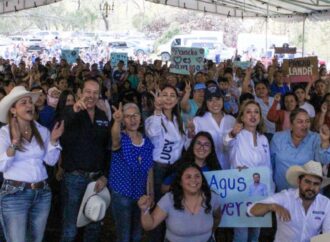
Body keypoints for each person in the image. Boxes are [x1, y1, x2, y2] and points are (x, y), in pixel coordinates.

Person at [0, 86, 64, 242]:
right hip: (14, 194)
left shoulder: (42, 131)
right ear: (13, 110)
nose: (30, 106)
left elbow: (51, 161)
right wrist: (14, 142)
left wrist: (54, 140)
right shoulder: (4, 133)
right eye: (24, 103)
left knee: (36, 239)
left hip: (42, 193)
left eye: (30, 102)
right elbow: (2, 167)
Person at [60, 79, 110, 242]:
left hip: (97, 180)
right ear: (80, 93)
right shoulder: (69, 111)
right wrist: (74, 110)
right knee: (70, 229)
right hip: (74, 178)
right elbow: (59, 129)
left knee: (93, 226)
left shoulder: (102, 115)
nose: (91, 96)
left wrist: (105, 175)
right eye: (88, 91)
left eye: (96, 93)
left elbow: (107, 148)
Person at [224, 100, 273, 242]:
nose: (253, 115)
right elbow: (226, 143)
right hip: (240, 190)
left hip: (259, 190)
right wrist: (233, 133)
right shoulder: (237, 135)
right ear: (242, 117)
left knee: (255, 233)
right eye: (248, 112)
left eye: (256, 112)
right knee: (241, 234)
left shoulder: (263, 138)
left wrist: (270, 193)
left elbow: (268, 167)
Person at [248, 160, 330, 242]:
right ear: (299, 181)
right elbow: (251, 210)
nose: (311, 188)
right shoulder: (285, 197)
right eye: (307, 182)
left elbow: (328, 235)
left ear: (320, 186)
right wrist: (272, 206)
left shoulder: (325, 204)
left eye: (316, 184)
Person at [138, 162, 221, 242]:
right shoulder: (169, 199)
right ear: (180, 182)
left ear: (202, 180)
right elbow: (149, 225)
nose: (193, 180)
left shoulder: (212, 197)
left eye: (197, 176)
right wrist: (144, 210)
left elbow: (217, 218)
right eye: (188, 177)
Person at [109, 102, 154, 242]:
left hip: (140, 196)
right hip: (122, 193)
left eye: (135, 115)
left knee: (136, 234)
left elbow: (149, 170)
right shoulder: (122, 138)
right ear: (123, 120)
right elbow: (115, 139)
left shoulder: (147, 141)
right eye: (128, 116)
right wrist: (116, 121)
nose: (132, 119)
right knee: (124, 236)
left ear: (140, 118)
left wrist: (151, 193)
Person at [271, 108, 330, 191]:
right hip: (283, 191)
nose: (304, 125)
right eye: (300, 122)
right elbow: (271, 164)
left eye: (307, 121)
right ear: (291, 124)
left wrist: (325, 141)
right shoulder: (278, 138)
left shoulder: (315, 138)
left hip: (308, 192)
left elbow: (325, 160)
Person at [187, 85, 236, 169]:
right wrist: (190, 135)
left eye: (218, 99)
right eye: (210, 100)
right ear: (205, 102)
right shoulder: (197, 121)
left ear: (222, 100)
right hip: (207, 169)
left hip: (229, 170)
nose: (215, 103)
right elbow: (188, 146)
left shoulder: (231, 120)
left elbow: (237, 146)